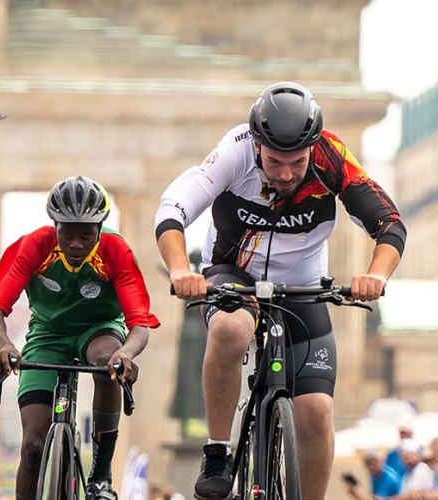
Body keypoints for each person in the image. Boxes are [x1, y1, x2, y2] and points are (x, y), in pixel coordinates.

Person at [156, 81, 406, 500]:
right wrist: (181, 269)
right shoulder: (235, 150)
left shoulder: (331, 157)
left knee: (317, 410)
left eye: (297, 162)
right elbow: (173, 209)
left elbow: (389, 224)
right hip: (233, 272)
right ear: (257, 147)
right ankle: (217, 452)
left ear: (312, 147)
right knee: (232, 329)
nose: (287, 174)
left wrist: (377, 276)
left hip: (302, 286)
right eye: (274, 162)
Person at [0, 176, 159, 500]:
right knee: (33, 445)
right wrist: (4, 345)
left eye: (86, 234)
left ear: (100, 229)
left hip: (100, 329)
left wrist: (127, 355)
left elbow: (139, 324)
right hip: (47, 335)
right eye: (67, 233)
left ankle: (102, 474)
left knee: (109, 362)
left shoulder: (115, 250)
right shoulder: (34, 246)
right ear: (55, 226)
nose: (76, 243)